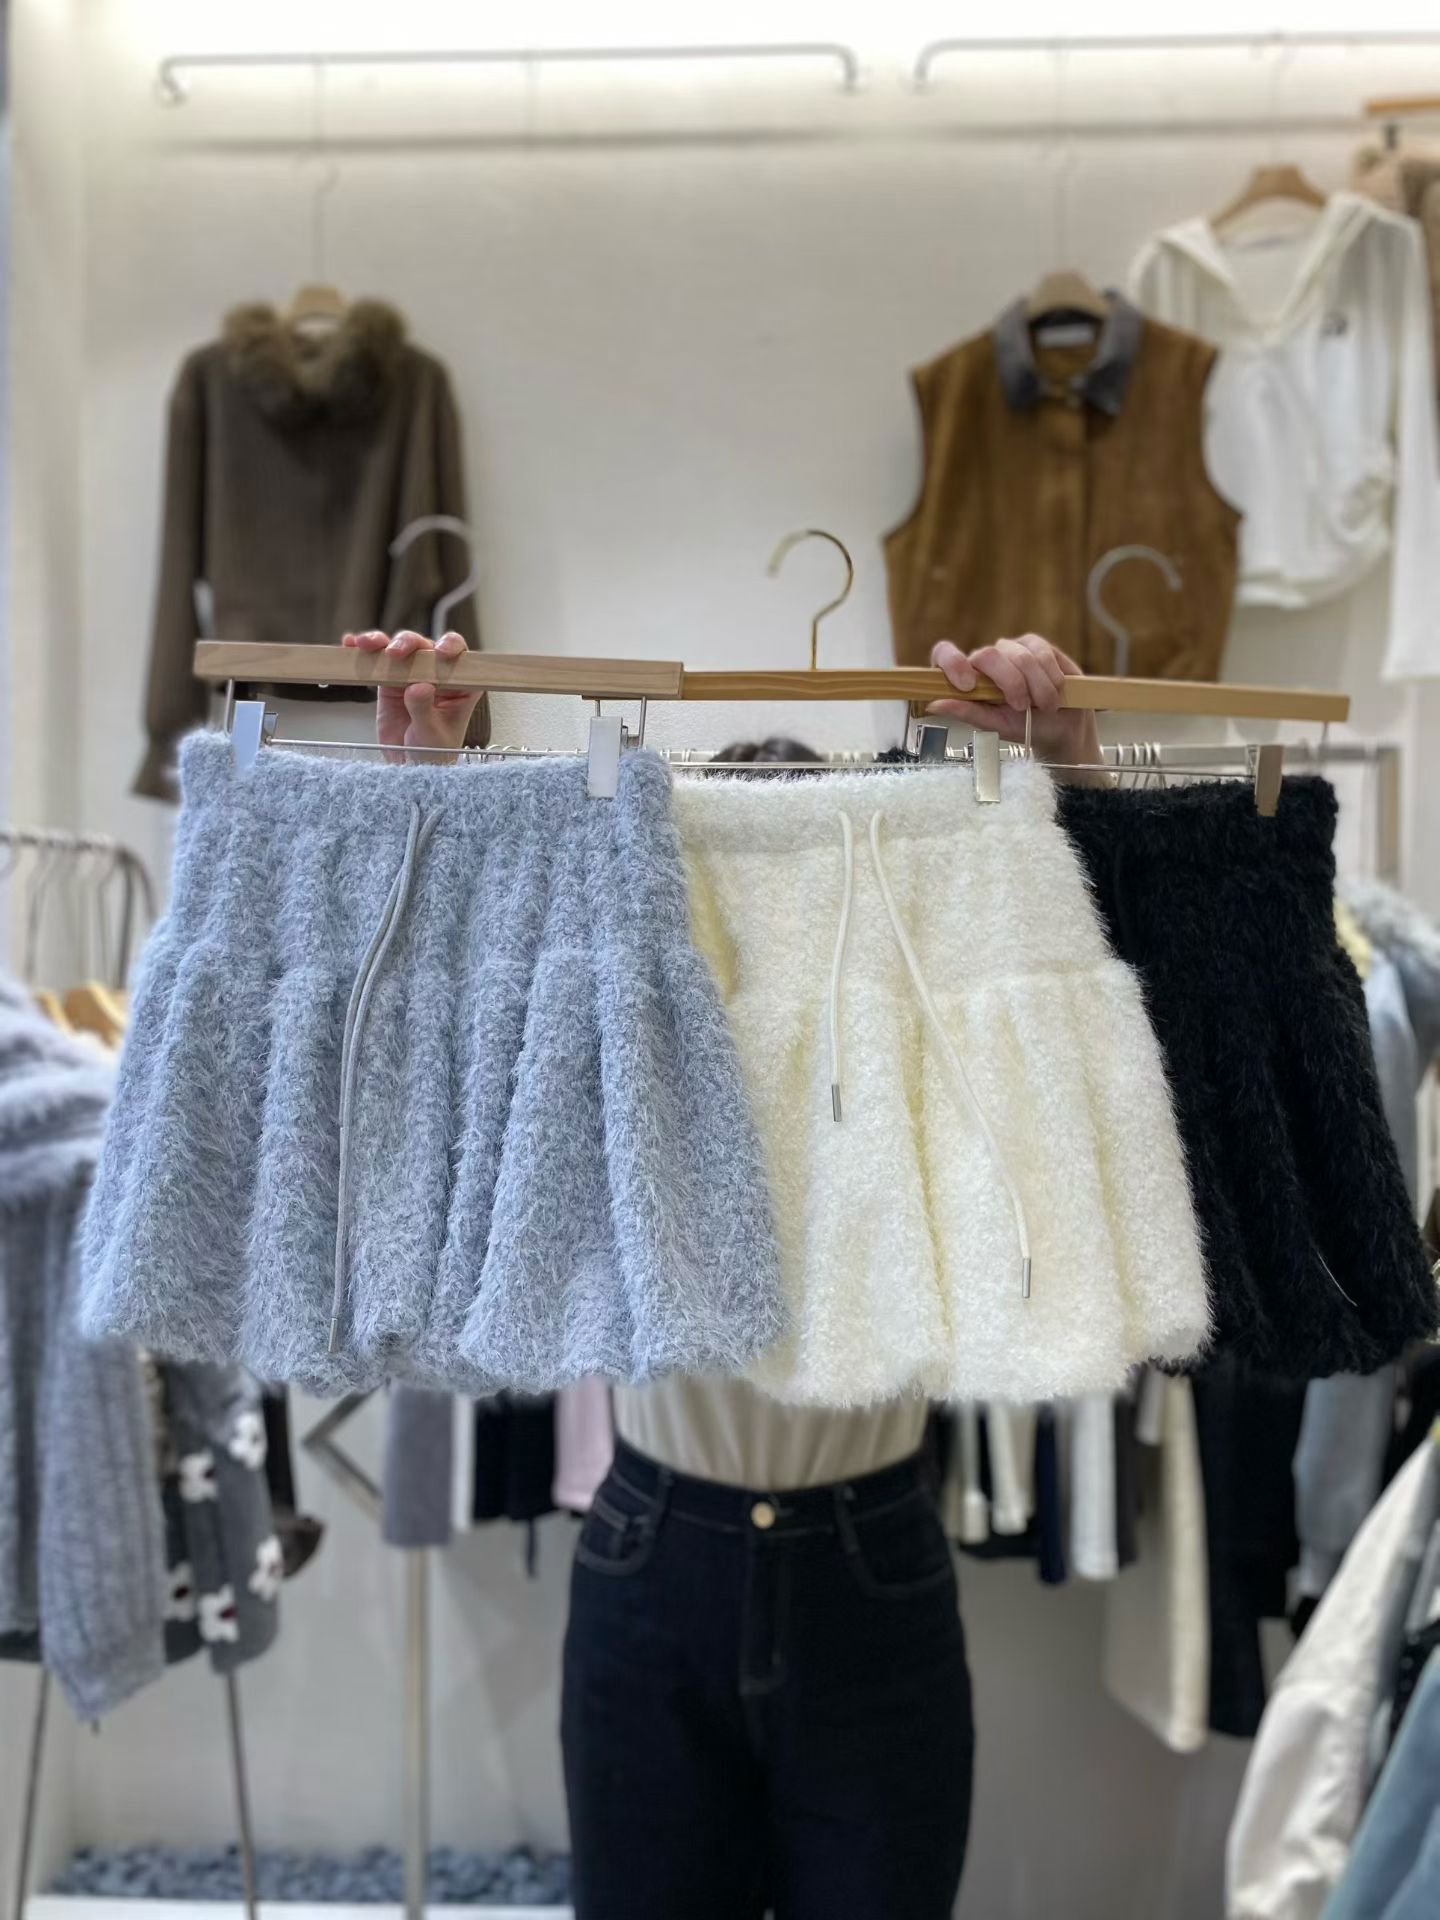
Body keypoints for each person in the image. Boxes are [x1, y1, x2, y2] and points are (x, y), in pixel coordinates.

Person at [341, 624, 1102, 1919]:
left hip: (866, 1554)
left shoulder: (905, 1029)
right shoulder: (625, 1023)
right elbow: (467, 1029)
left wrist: (1065, 769)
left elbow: (1061, 988)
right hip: (658, 1550)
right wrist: (441, 785)